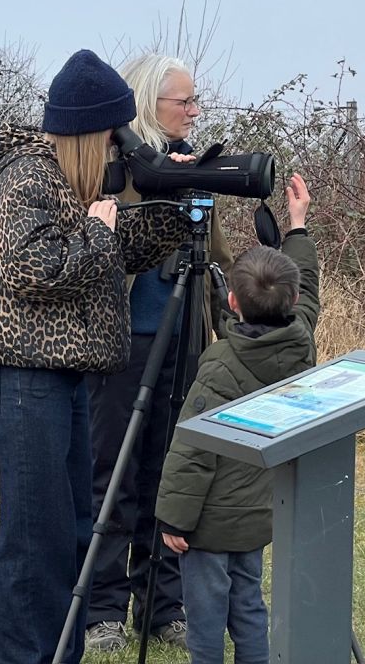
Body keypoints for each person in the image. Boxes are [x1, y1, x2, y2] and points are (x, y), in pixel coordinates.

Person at [0, 49, 192, 664]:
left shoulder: (77, 184)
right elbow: (33, 270)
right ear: (92, 134)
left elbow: (123, 253)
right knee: (33, 539)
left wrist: (175, 198)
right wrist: (98, 230)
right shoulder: (27, 178)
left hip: (65, 378)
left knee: (70, 532)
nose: (122, 148)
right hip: (23, 378)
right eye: (115, 136)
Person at [84, 54, 235, 653]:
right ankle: (102, 610)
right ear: (150, 102)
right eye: (184, 101)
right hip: (121, 344)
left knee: (171, 476)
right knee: (112, 476)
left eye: (196, 101)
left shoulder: (192, 168)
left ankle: (163, 607)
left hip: (184, 340)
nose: (194, 111)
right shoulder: (108, 169)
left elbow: (216, 258)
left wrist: (240, 332)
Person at [155, 174, 319, 664]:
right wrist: (297, 226)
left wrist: (174, 517)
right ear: (292, 302)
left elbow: (193, 448)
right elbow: (308, 289)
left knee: (205, 616)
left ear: (230, 302)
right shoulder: (300, 343)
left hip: (209, 525)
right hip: (258, 515)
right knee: (249, 606)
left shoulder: (221, 365)